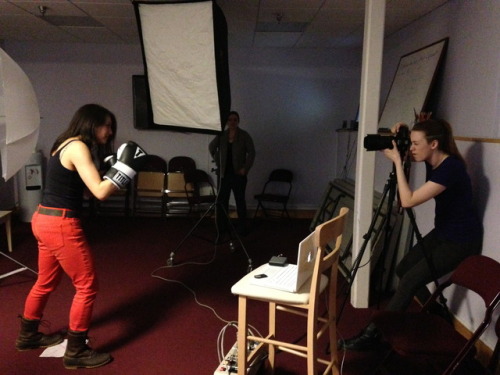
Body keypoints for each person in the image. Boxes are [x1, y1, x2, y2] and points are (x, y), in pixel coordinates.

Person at [15, 104, 148, 369]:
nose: (110, 132)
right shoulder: (79, 148)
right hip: (61, 224)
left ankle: (28, 335)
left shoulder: (65, 144)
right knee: (87, 285)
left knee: (45, 281)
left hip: (44, 219)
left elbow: (88, 191)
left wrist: (114, 173)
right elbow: (99, 192)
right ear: (91, 123)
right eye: (106, 126)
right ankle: (76, 351)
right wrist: (123, 170)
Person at [340, 119, 483, 351]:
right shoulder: (431, 159)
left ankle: (372, 335)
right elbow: (425, 135)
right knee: (403, 269)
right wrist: (403, 132)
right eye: (411, 143)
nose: (411, 148)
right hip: (444, 232)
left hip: (461, 240)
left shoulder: (451, 168)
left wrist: (397, 160)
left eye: (416, 144)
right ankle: (434, 311)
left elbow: (407, 201)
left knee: (409, 280)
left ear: (434, 144)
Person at [209, 111, 255, 236]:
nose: (232, 122)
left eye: (235, 119)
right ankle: (222, 227)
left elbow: (252, 152)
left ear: (238, 121)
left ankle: (242, 227)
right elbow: (211, 147)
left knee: (240, 201)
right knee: (222, 201)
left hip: (238, 175)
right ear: (227, 122)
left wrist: (245, 168)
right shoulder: (222, 135)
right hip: (224, 174)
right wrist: (218, 161)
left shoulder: (244, 135)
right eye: (230, 120)